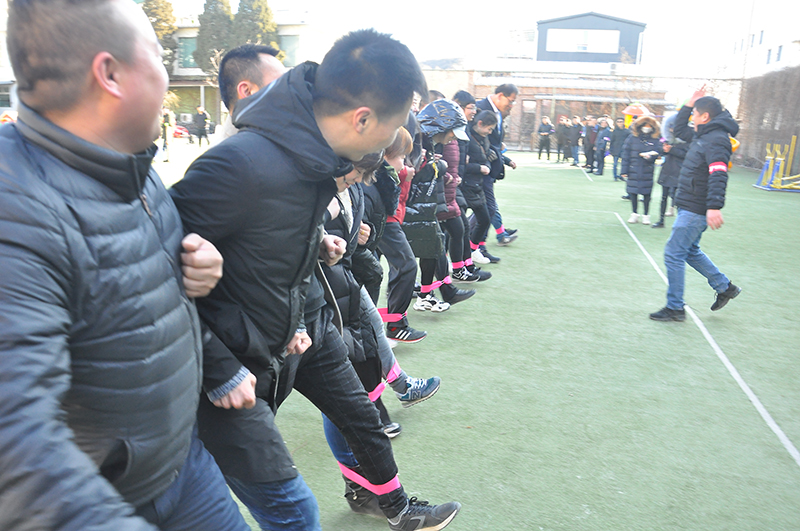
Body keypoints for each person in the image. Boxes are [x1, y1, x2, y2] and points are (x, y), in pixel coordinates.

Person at [170, 29, 461, 531]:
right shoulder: (240, 163)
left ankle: (393, 505)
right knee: (280, 506)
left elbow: (259, 243)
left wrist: (311, 251)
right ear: (361, 119)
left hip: (302, 333)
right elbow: (154, 272)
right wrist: (220, 367)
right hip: (235, 367)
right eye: (389, 132)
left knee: (361, 416)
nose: (389, 149)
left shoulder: (314, 163)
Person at [0, 1, 250, 529]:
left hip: (183, 468)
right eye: (157, 56)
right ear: (109, 74)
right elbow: (18, 447)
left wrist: (194, 272)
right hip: (107, 502)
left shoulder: (132, 165)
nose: (166, 76)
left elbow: (124, 285)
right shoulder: (15, 210)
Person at [650, 89, 741, 322]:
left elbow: (718, 173)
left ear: (705, 117)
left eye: (695, 114)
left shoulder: (716, 140)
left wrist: (714, 206)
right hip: (689, 203)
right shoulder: (703, 135)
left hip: (696, 207)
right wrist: (689, 104)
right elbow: (679, 130)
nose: (692, 118)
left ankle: (675, 308)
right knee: (689, 251)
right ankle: (725, 287)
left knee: (673, 253)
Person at [475, 84, 518, 252]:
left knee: (485, 208)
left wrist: (504, 159)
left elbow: (494, 144)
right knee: (486, 208)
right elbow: (476, 139)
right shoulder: (479, 108)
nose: (511, 105)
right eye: (511, 101)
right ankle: (478, 245)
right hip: (478, 168)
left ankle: (479, 244)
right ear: (500, 95)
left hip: (490, 168)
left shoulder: (498, 113)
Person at [621, 116, 663, 225]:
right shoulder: (632, 138)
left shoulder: (655, 139)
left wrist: (650, 157)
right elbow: (626, 154)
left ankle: (646, 215)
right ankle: (634, 213)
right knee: (633, 192)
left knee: (647, 193)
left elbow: (658, 152)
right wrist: (624, 170)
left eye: (649, 126)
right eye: (645, 126)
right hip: (633, 169)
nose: (646, 128)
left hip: (647, 169)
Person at [652, 113, 688, 229]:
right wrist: (664, 149)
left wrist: (671, 150)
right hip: (667, 170)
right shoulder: (667, 139)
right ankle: (661, 220)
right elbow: (659, 149)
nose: (672, 130)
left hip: (679, 171)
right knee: (664, 197)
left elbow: (686, 155)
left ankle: (680, 223)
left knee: (678, 199)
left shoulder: (686, 140)